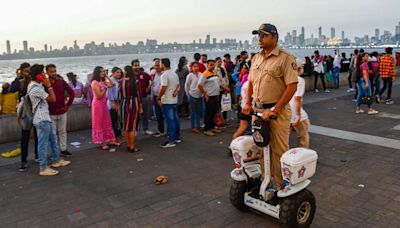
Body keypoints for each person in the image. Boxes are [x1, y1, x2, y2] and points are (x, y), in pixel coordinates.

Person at [242, 23, 298, 190]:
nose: (259, 38)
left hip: (276, 112)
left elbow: (292, 86)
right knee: (261, 148)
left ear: (274, 37)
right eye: (258, 35)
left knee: (279, 151)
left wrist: (275, 109)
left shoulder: (285, 58)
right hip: (257, 111)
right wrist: (247, 102)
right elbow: (251, 81)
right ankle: (265, 183)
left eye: (263, 35)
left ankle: (282, 188)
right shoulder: (256, 58)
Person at [28, 64, 71, 176]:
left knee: (53, 140)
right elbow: (52, 98)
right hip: (41, 119)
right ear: (37, 75)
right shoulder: (35, 88)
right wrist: (49, 86)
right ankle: (43, 168)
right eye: (42, 73)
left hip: (46, 117)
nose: (44, 74)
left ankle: (56, 160)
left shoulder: (37, 85)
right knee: (42, 144)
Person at [10, 63, 38, 172]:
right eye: (26, 71)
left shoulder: (33, 81)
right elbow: (11, 89)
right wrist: (17, 77)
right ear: (21, 71)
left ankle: (37, 156)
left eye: (29, 71)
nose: (28, 73)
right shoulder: (20, 82)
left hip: (35, 111)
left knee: (37, 135)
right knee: (25, 137)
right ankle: (23, 161)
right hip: (25, 113)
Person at [46, 64, 74, 157]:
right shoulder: (45, 84)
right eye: (51, 71)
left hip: (62, 110)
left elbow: (72, 93)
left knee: (62, 131)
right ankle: (55, 151)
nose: (53, 73)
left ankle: (63, 149)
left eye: (54, 71)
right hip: (50, 112)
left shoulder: (61, 81)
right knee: (52, 134)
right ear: (47, 72)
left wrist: (68, 105)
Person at [91, 66, 120, 150]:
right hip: (97, 105)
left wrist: (107, 76)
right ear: (97, 73)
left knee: (107, 122)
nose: (103, 73)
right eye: (101, 72)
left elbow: (113, 84)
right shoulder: (94, 82)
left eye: (104, 71)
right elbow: (99, 96)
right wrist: (105, 88)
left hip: (104, 104)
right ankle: (102, 142)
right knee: (99, 123)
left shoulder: (103, 81)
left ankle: (111, 139)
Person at [157, 58, 181, 148]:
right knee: (175, 119)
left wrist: (158, 97)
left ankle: (171, 141)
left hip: (167, 100)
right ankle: (177, 137)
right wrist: (175, 92)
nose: (159, 66)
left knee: (170, 121)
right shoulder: (174, 73)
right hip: (174, 99)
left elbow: (163, 87)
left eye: (160, 64)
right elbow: (179, 86)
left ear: (163, 64)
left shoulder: (164, 75)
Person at [120, 66, 142, 153]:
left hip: (124, 104)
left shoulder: (121, 82)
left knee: (125, 126)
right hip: (133, 103)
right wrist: (140, 106)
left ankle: (128, 146)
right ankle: (132, 147)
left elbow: (119, 95)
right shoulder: (135, 81)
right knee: (132, 127)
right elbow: (139, 95)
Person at [290, 60, 310, 148]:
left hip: (286, 113)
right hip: (297, 114)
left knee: (283, 140)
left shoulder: (285, 79)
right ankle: (302, 157)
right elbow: (297, 98)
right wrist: (298, 116)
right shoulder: (299, 80)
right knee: (303, 138)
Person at [198, 59, 221, 136]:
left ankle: (212, 127)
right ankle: (207, 129)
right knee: (209, 113)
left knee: (214, 112)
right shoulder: (205, 74)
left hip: (215, 95)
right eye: (211, 64)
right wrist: (205, 94)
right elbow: (199, 85)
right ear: (207, 65)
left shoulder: (214, 73)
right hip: (209, 96)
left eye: (213, 64)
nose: (213, 66)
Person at [132, 59, 153, 135]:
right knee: (135, 115)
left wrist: (149, 87)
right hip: (134, 98)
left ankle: (145, 129)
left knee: (145, 114)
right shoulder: (130, 75)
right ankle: (135, 129)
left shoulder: (144, 74)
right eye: (135, 65)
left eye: (138, 65)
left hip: (143, 97)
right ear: (132, 66)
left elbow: (151, 79)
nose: (137, 67)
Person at [185, 62, 203, 133]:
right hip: (192, 94)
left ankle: (198, 125)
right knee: (193, 112)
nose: (196, 68)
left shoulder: (201, 74)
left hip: (200, 95)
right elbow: (187, 85)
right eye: (194, 66)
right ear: (192, 68)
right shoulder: (190, 75)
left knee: (198, 111)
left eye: (197, 66)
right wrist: (187, 93)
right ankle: (193, 126)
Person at [151, 59, 166, 137]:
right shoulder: (154, 75)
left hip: (163, 97)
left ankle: (171, 132)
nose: (156, 67)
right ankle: (161, 130)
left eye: (157, 65)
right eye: (155, 65)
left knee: (167, 115)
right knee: (158, 115)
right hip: (156, 96)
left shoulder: (165, 74)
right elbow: (153, 86)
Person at [107, 67, 123, 139]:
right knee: (113, 119)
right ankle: (115, 136)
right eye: (117, 72)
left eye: (120, 72)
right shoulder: (111, 81)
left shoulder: (118, 80)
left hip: (118, 101)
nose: (119, 74)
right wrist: (113, 102)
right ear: (113, 73)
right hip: (112, 103)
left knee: (118, 119)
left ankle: (118, 134)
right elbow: (109, 93)